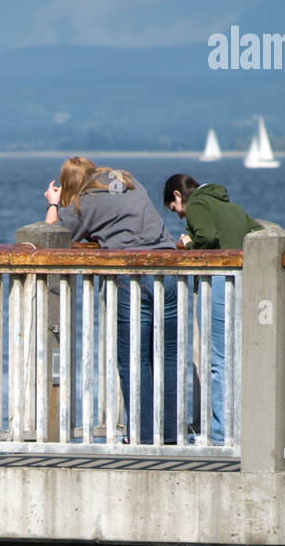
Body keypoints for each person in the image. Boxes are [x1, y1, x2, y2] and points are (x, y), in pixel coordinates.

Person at [44, 157, 178, 446]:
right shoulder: (124, 180)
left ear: (69, 185)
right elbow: (121, 211)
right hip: (169, 267)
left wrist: (54, 204)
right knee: (166, 357)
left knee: (134, 360)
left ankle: (142, 436)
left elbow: (49, 236)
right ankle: (168, 435)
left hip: (132, 273)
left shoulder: (83, 204)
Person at [163, 174, 261, 444]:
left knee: (219, 358)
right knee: (241, 355)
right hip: (246, 282)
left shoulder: (196, 205)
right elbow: (258, 234)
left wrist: (187, 245)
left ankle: (219, 434)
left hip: (220, 281)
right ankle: (245, 427)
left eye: (175, 209)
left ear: (177, 196)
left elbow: (206, 236)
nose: (180, 216)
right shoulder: (232, 207)